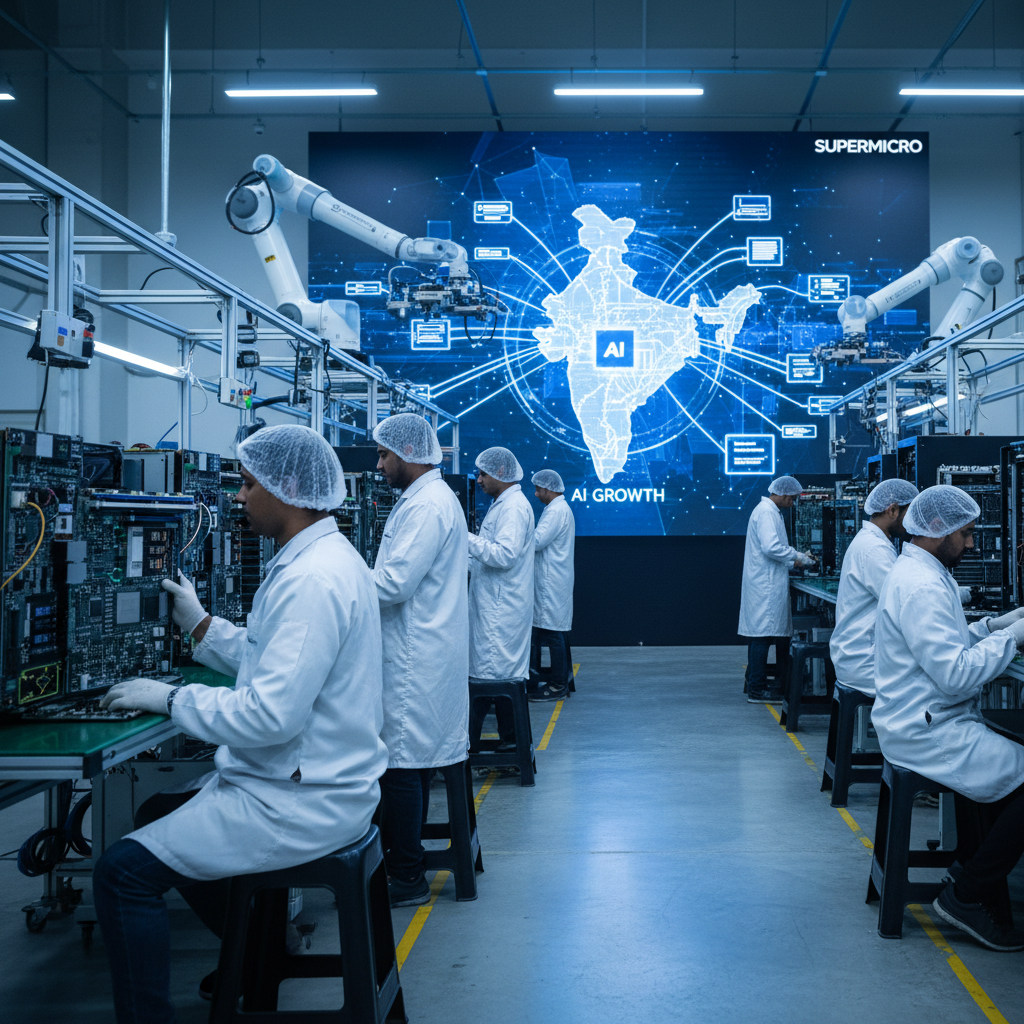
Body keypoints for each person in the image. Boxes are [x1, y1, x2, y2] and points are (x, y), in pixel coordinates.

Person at [92, 425, 388, 1022]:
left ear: (289, 491)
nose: (239, 497)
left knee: (120, 873)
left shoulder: (313, 579)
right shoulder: (320, 558)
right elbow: (270, 656)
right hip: (319, 781)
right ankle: (254, 954)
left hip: (300, 799)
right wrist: (202, 626)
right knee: (155, 814)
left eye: (248, 485)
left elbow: (271, 715)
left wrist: (167, 700)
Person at [872, 485, 1024, 951]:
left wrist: (995, 627)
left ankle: (978, 883)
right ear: (939, 532)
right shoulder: (920, 586)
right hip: (929, 730)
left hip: (925, 717)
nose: (974, 543)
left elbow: (948, 641)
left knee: (1008, 774)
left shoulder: (922, 572)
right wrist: (1014, 640)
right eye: (968, 533)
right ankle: (966, 893)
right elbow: (956, 673)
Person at [371, 413, 469, 908]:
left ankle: (406, 877)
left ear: (408, 454)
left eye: (386, 454)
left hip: (416, 656)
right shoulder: (425, 499)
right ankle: (402, 867)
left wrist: (336, 583)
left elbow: (393, 583)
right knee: (409, 762)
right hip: (423, 650)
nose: (380, 463)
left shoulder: (427, 505)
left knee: (401, 767)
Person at [468, 446, 535, 749]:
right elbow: (489, 553)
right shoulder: (504, 504)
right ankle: (509, 742)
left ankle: (465, 750)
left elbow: (504, 555)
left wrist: (464, 537)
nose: (478, 480)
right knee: (492, 679)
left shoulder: (512, 507)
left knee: (488, 680)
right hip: (497, 605)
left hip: (500, 612)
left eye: (483, 474)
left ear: (500, 473)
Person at [829, 478, 919, 697]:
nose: (915, 522)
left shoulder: (873, 542)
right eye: (912, 514)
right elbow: (902, 599)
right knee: (939, 684)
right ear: (893, 510)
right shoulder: (874, 549)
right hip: (864, 661)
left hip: (859, 655)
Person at [737, 475, 816, 704]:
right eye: (792, 499)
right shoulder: (766, 513)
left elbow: (773, 550)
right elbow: (772, 547)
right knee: (762, 636)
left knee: (761, 635)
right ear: (782, 495)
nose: (793, 503)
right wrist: (797, 556)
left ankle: (757, 681)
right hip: (765, 586)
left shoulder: (770, 512)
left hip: (766, 581)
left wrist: (794, 562)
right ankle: (757, 689)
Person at [528, 469, 575, 702]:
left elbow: (537, 541)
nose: (536, 494)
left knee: (553, 632)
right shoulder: (558, 509)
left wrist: (517, 535)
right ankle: (556, 678)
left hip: (551, 581)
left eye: (538, 490)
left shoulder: (556, 511)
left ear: (547, 488)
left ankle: (557, 686)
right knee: (550, 630)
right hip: (554, 579)